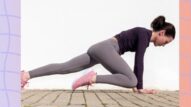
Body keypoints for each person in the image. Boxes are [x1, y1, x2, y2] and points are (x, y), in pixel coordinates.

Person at [21, 16, 175, 94]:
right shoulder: (144, 35)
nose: (163, 45)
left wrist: (135, 86)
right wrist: (139, 87)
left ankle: (25, 75)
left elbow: (128, 72)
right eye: (166, 42)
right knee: (132, 80)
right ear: (161, 33)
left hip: (102, 49)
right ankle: (93, 78)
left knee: (65, 67)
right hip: (107, 49)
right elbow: (139, 61)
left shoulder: (143, 35)